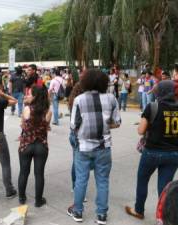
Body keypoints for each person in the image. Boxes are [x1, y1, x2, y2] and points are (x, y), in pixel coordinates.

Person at [68, 69, 121, 225]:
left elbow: (73, 125)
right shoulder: (111, 99)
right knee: (103, 180)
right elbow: (117, 122)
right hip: (104, 147)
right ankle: (102, 215)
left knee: (81, 180)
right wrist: (103, 125)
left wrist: (85, 129)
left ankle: (77, 212)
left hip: (83, 148)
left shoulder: (79, 99)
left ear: (86, 82)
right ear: (104, 82)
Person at [125, 80, 178, 220]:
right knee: (165, 188)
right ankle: (163, 218)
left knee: (143, 180)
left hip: (152, 152)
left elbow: (140, 130)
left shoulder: (153, 107)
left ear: (160, 92)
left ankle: (139, 210)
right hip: (173, 154)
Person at [18, 85, 52, 207]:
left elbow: (22, 125)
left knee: (23, 172)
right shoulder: (48, 111)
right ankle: (38, 201)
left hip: (26, 144)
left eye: (30, 94)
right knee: (39, 174)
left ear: (35, 96)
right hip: (41, 145)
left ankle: (21, 198)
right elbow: (46, 127)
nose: (27, 95)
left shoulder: (27, 109)